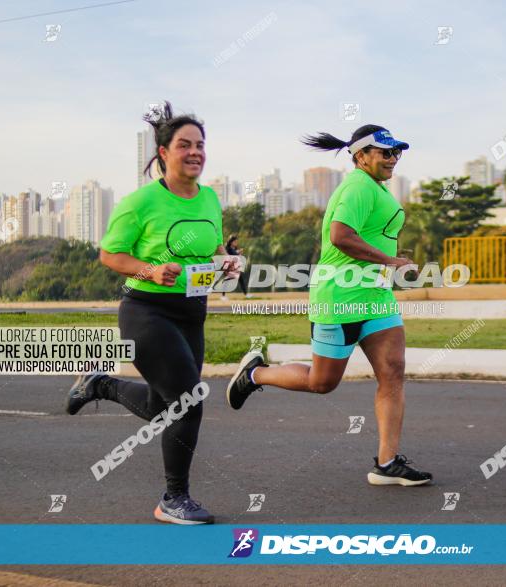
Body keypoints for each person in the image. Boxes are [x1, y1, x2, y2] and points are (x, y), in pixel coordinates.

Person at [225, 124, 432, 486]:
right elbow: (340, 236)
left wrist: (392, 260)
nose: (392, 159)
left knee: (393, 371)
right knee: (323, 383)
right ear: (361, 156)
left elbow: (364, 236)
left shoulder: (375, 189)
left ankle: (386, 463)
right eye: (385, 152)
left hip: (376, 297)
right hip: (340, 299)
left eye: (396, 152)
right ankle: (255, 373)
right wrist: (388, 261)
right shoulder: (356, 186)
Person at [64, 101, 238, 524]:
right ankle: (173, 498)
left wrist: (226, 261)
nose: (195, 152)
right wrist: (150, 269)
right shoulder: (140, 202)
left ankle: (101, 385)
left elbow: (212, 247)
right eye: (185, 145)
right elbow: (110, 254)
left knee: (166, 407)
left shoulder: (210, 198)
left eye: (200, 145)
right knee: (189, 401)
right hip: (147, 311)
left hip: (192, 311)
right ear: (164, 152)